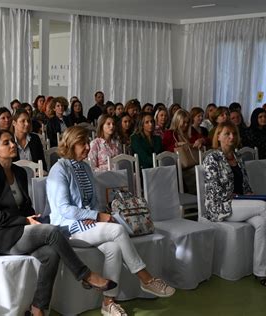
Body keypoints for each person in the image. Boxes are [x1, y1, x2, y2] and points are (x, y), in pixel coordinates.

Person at [0, 129, 116, 316]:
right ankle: (85, 275)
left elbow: (24, 206)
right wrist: (24, 220)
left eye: (12, 141)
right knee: (51, 231)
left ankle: (37, 309)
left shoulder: (19, 172)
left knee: (51, 253)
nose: (12, 145)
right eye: (6, 143)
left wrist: (33, 217)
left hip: (19, 229)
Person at [47, 126, 175, 315]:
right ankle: (145, 278)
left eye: (87, 144)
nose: (87, 148)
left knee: (114, 248)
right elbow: (64, 210)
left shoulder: (85, 167)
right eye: (83, 144)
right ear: (71, 144)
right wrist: (97, 217)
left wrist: (96, 215)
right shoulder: (59, 170)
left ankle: (108, 302)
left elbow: (95, 202)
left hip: (88, 225)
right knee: (117, 230)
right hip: (68, 229)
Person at [202, 121, 266, 286]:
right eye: (227, 134)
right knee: (263, 206)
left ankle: (261, 272)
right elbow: (213, 189)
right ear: (218, 137)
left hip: (238, 203)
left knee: (262, 224)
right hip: (220, 206)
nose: (231, 137)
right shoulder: (212, 158)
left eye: (234, 134)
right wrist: (234, 195)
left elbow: (245, 185)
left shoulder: (238, 157)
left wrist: (249, 194)